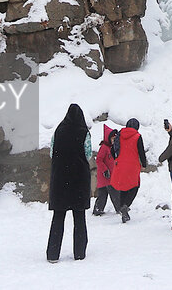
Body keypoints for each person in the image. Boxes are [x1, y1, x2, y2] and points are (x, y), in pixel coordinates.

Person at [47, 104, 92, 263]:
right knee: (79, 217)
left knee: (58, 217)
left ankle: (53, 254)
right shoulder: (84, 132)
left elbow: (52, 152)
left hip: (60, 180)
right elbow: (87, 155)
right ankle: (79, 253)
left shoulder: (58, 131)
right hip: (78, 180)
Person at [110, 117, 147, 223]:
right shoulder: (137, 136)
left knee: (123, 187)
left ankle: (122, 207)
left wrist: (117, 159)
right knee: (135, 186)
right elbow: (141, 151)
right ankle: (125, 206)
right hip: (133, 165)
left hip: (120, 165)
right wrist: (144, 164)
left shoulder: (120, 135)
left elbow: (113, 150)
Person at [92, 125, 120, 215]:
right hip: (105, 175)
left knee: (103, 194)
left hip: (109, 175)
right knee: (112, 193)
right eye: (113, 138)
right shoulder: (104, 148)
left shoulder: (113, 148)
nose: (114, 140)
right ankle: (119, 208)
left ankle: (98, 209)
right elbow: (99, 160)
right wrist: (105, 170)